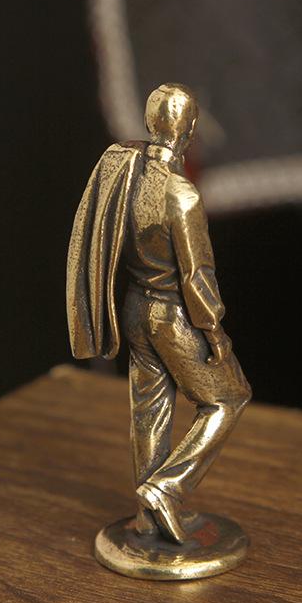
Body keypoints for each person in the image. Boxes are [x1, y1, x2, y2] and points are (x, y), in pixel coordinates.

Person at [67, 83, 251, 544]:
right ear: (190, 130)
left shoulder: (127, 176)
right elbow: (196, 276)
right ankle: (167, 488)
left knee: (149, 413)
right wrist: (215, 332)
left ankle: (148, 520)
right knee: (228, 400)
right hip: (173, 316)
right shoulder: (181, 194)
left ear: (152, 124)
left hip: (134, 308)